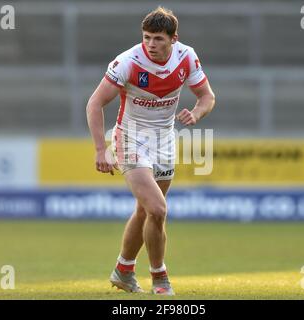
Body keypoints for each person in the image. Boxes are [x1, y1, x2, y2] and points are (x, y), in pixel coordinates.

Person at [86, 6, 215, 295]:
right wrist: (99, 149)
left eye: (158, 39)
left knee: (146, 211)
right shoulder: (128, 62)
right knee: (158, 208)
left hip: (165, 140)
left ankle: (123, 270)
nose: (151, 45)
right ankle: (160, 278)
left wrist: (196, 113)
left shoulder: (187, 57)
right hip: (130, 139)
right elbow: (94, 104)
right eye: (147, 38)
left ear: (173, 39)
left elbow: (207, 97)